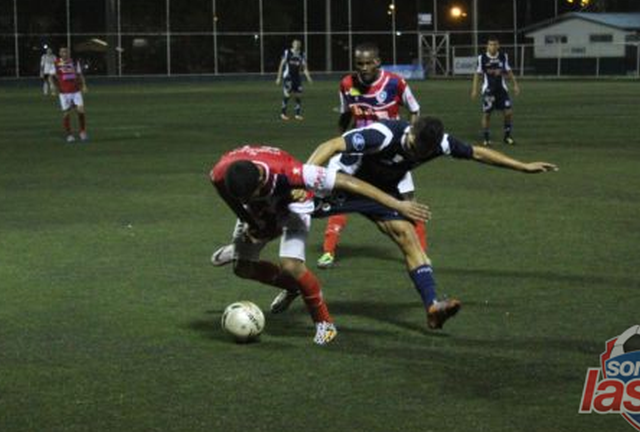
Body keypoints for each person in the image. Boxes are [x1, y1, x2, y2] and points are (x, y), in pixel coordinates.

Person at [272, 117, 557, 331]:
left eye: (424, 152)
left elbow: (477, 152)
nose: (418, 155)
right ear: (411, 134)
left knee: (407, 235)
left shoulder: (439, 143)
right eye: (416, 149)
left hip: (380, 193)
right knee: (275, 222)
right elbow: (331, 145)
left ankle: (432, 305)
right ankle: (289, 281)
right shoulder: (383, 135)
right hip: (340, 185)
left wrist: (522, 166)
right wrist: (302, 180)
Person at [209, 145, 430, 345]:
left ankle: (325, 324)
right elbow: (230, 198)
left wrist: (397, 204)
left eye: (250, 195)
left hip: (294, 205)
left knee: (291, 265)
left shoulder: (293, 173)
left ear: (259, 178)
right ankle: (293, 287)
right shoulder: (220, 173)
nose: (246, 200)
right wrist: (249, 221)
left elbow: (347, 182)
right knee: (242, 269)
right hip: (260, 209)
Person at [318, 42, 423, 270]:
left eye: (368, 63)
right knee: (340, 197)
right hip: (359, 152)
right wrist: (341, 139)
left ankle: (421, 254)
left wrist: (410, 139)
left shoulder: (395, 83)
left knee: (409, 201)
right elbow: (346, 114)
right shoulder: (347, 84)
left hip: (391, 153)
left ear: (377, 62)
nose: (364, 68)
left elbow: (414, 110)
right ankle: (328, 252)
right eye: (359, 63)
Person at [471, 36, 521, 146]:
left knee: (508, 112)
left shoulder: (503, 56)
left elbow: (509, 71)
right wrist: (474, 89)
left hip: (501, 89)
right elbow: (477, 74)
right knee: (487, 114)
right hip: (489, 90)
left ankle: (507, 137)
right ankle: (486, 139)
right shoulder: (482, 58)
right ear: (487, 46)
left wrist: (515, 85)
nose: (492, 47)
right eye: (490, 44)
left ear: (498, 46)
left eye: (494, 44)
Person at [49, 47, 88, 143]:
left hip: (76, 91)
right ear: (59, 53)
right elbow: (51, 76)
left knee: (81, 110)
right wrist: (52, 86)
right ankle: (69, 135)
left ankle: (82, 132)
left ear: (68, 53)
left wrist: (84, 85)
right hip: (64, 92)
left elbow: (80, 75)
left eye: (66, 52)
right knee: (66, 113)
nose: (64, 53)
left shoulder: (74, 62)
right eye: (62, 52)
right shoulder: (56, 63)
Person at [275, 39, 312, 121]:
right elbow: (281, 65)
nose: (296, 45)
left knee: (298, 95)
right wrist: (278, 77)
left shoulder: (302, 54)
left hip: (297, 77)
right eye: (295, 44)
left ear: (300, 46)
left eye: (298, 44)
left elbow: (304, 68)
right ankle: (283, 114)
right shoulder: (287, 52)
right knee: (287, 95)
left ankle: (297, 114)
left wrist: (308, 77)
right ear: (292, 45)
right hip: (288, 77)